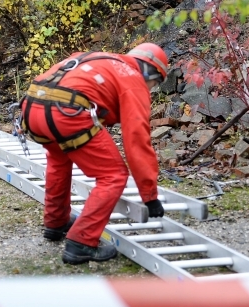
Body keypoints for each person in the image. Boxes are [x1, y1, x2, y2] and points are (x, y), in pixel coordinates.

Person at [20, 43, 168, 264]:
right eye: (154, 84)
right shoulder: (132, 78)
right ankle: (82, 243)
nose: (150, 89)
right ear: (150, 71)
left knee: (59, 159)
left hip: (32, 108)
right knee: (113, 175)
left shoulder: (101, 59)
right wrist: (150, 196)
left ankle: (56, 222)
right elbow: (137, 138)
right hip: (65, 112)